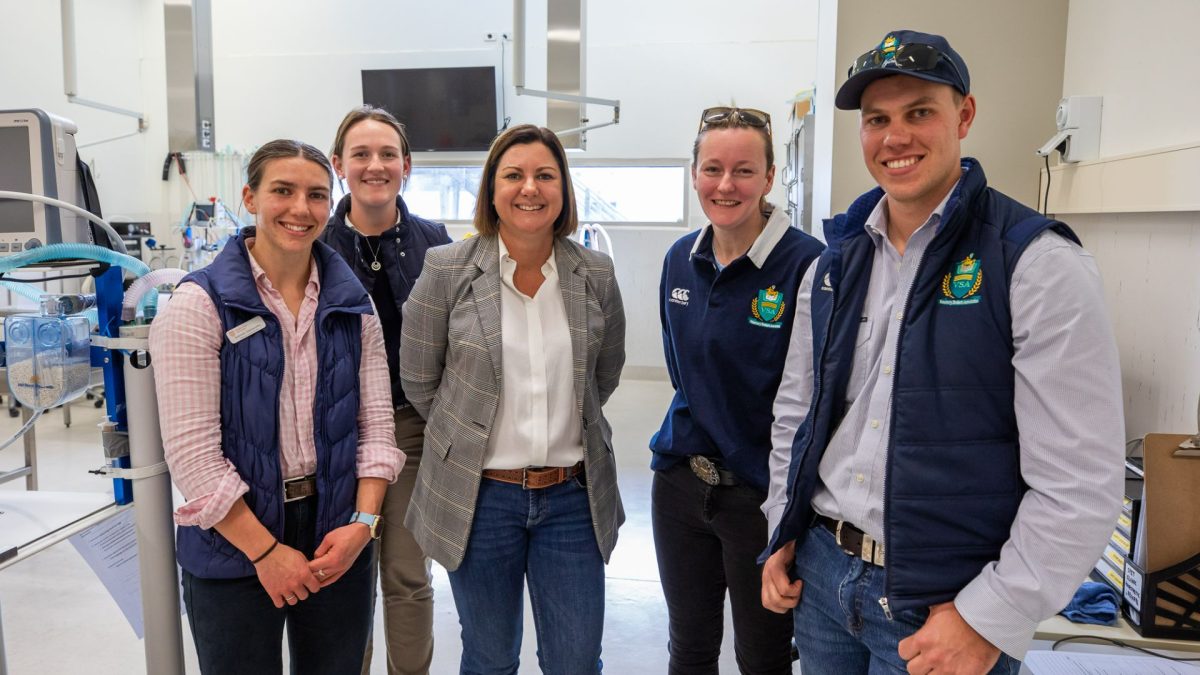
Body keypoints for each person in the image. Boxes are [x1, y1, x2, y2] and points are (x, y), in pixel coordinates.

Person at [759, 30, 1125, 675]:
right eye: (877, 120)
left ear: (965, 115)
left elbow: (1079, 480)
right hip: (822, 576)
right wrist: (781, 528)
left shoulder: (1035, 262)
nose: (895, 138)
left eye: (919, 112)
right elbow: (799, 411)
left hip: (946, 603)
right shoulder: (837, 261)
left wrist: (993, 614)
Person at [151, 139, 404, 674]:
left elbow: (378, 429)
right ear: (250, 197)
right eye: (282, 191)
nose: (300, 209)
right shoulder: (199, 305)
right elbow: (193, 456)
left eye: (316, 195)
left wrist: (362, 524)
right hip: (234, 535)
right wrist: (265, 552)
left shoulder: (353, 305)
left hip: (335, 531)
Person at [400, 124, 626, 675]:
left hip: (572, 498)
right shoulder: (447, 269)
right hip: (480, 501)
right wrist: (472, 434)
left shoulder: (594, 273)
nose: (530, 188)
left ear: (563, 190)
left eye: (545, 175)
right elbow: (419, 379)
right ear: (492, 189)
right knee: (490, 657)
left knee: (575, 661)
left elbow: (603, 375)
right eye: (514, 175)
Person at [650, 106, 823, 674]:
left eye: (744, 171)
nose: (726, 185)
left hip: (759, 498)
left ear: (769, 178)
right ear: (694, 173)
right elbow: (682, 371)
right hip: (679, 486)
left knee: (763, 656)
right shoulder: (680, 260)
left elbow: (815, 401)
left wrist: (788, 515)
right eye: (713, 169)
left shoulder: (809, 265)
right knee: (690, 647)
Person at [321, 105, 452, 675]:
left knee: (405, 572)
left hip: (413, 430)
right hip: (332, 433)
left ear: (407, 166)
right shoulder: (313, 245)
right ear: (338, 165)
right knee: (345, 577)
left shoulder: (438, 245)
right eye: (361, 154)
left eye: (387, 154)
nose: (375, 166)